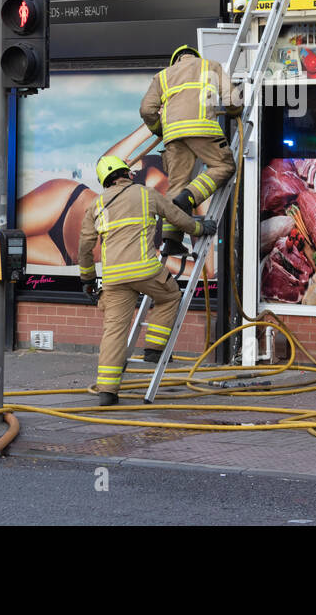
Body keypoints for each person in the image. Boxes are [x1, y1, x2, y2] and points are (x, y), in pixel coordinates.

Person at [77, 154, 217, 406]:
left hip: (114, 278)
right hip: (145, 270)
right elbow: (175, 215)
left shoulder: (96, 205)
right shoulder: (145, 194)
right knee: (171, 295)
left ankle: (107, 391)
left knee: (114, 331)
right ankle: (154, 348)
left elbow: (85, 247)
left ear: (104, 182)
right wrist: (199, 229)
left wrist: (87, 278)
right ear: (127, 174)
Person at [139, 44, 242, 256]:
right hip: (203, 129)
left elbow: (146, 110)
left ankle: (171, 240)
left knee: (176, 184)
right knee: (223, 166)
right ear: (195, 56)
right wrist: (234, 111)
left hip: (173, 136)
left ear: (176, 60)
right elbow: (232, 99)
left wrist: (160, 129)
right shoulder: (210, 66)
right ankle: (190, 197)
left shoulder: (163, 76)